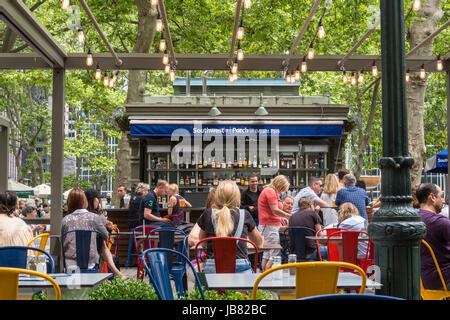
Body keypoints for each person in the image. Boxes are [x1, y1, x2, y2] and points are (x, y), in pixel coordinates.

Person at [188, 180, 263, 273]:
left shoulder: (208, 214)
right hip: (240, 270)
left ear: (217, 196)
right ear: (237, 197)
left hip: (213, 269)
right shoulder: (245, 214)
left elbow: (203, 243)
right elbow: (258, 243)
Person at [61, 188, 127, 280]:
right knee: (101, 242)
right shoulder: (94, 217)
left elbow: (62, 241)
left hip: (70, 266)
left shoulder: (65, 220)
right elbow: (106, 235)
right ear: (85, 202)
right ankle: (111, 274)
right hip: (90, 265)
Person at [416, 183, 450, 290]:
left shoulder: (412, 219)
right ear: (432, 197)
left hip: (420, 280)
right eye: (441, 196)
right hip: (441, 280)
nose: (443, 201)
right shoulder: (440, 222)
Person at [258, 175, 291, 271]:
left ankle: (263, 278)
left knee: (267, 254)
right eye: (283, 188)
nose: (282, 191)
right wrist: (287, 216)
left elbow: (269, 210)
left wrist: (281, 217)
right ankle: (268, 278)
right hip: (270, 226)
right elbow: (275, 210)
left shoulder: (268, 190)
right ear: (279, 185)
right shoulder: (271, 192)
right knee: (274, 254)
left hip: (267, 225)